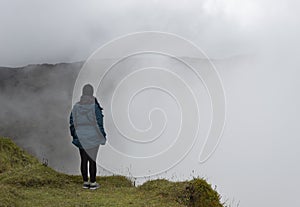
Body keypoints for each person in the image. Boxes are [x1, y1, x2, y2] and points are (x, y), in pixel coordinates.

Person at [69, 84, 106, 190]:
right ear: (92, 93)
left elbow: (72, 122)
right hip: (94, 138)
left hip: (81, 137)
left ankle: (85, 182)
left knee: (83, 160)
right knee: (92, 160)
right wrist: (103, 136)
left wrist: (75, 135)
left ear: (83, 93)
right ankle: (93, 183)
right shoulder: (95, 106)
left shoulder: (76, 107)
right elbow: (99, 123)